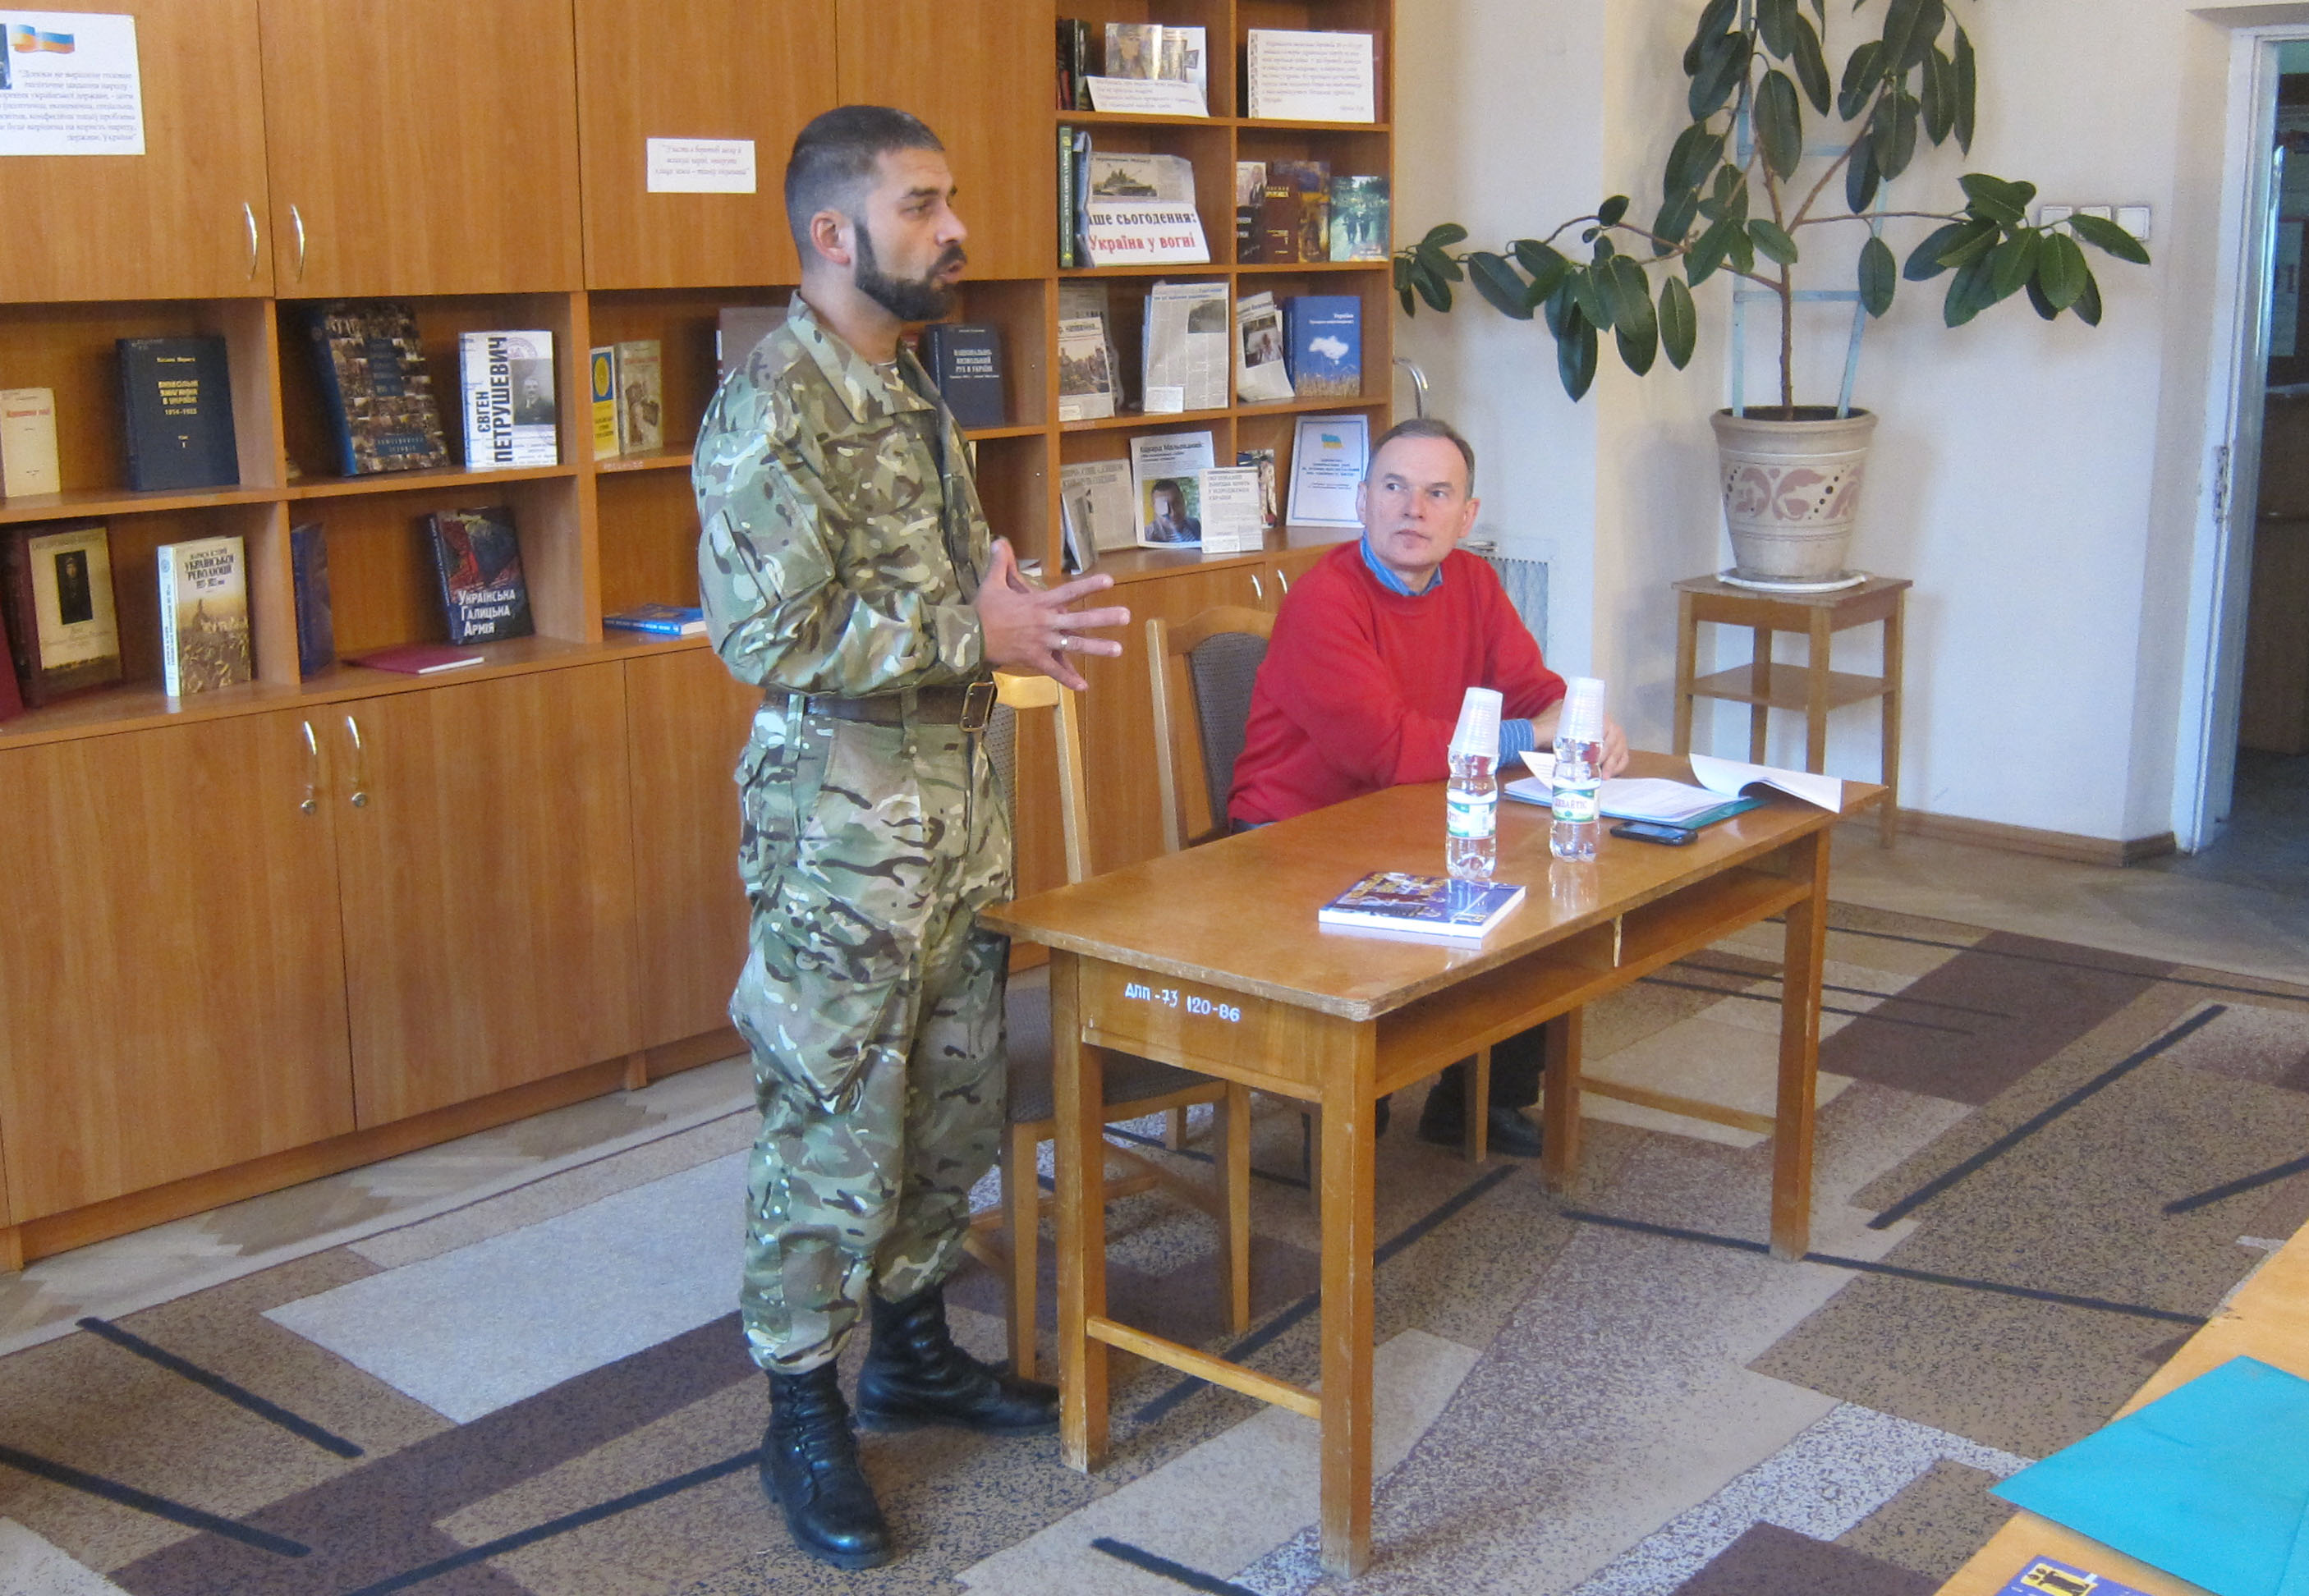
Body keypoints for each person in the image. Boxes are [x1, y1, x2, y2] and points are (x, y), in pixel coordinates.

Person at [692, 105, 1131, 1572]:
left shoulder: (911, 388)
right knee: (829, 1112)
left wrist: (1011, 624)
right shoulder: (771, 406)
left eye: (951, 201)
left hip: (951, 813)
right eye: (923, 205)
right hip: (840, 831)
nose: (956, 231)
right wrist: (971, 627)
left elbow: (939, 606)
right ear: (835, 232)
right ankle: (800, 1407)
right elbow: (766, 635)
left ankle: (914, 1347)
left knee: (946, 1096)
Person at [1227, 416, 1627, 1156]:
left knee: (1538, 901)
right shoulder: (1324, 599)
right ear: (1362, 501)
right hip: (1295, 836)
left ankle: (1478, 1101)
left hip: (1409, 817)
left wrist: (1582, 721)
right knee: (1413, 931)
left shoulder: (1474, 582)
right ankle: (1348, 1101)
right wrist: (1537, 733)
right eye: (1394, 487)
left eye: (1437, 494)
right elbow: (1390, 750)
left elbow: (1533, 689)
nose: (1413, 510)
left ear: (1466, 516)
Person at [1145, 478, 1200, 543]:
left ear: (1183, 501)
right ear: (1155, 508)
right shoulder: (1147, 536)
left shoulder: (1195, 524)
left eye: (1176, 503)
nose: (1173, 513)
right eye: (1162, 506)